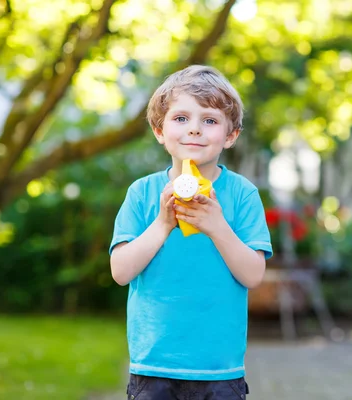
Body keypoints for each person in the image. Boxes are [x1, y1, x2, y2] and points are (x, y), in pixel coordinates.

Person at [109, 65, 272, 400]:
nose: (194, 130)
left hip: (219, 368)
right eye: (181, 118)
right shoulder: (142, 193)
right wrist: (162, 224)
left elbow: (254, 275)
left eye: (209, 120)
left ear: (230, 135)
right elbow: (121, 272)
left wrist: (216, 226)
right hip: (153, 366)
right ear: (159, 129)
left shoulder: (242, 194)